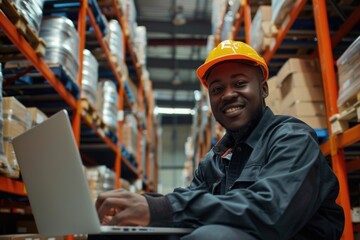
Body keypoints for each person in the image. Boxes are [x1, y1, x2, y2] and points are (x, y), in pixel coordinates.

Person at [95, 40, 345, 239]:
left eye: (239, 83)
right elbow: (190, 203)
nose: (228, 95)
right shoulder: (215, 160)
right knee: (112, 234)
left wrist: (162, 210)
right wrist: (137, 205)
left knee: (210, 236)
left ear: (264, 89)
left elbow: (272, 214)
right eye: (217, 89)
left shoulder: (291, 139)